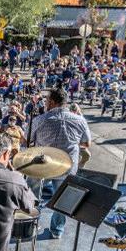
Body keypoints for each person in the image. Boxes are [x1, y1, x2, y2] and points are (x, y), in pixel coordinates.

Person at [28, 88, 91, 238]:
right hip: (67, 166)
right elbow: (87, 143)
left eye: (47, 100)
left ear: (52, 102)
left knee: (32, 196)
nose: (45, 103)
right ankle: (57, 231)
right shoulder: (80, 119)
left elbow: (27, 140)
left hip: (43, 165)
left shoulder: (40, 119)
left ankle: (30, 226)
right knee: (63, 199)